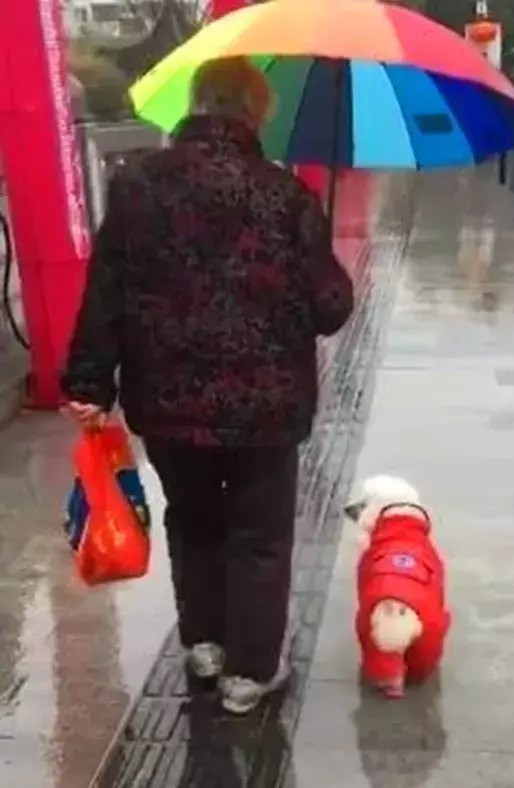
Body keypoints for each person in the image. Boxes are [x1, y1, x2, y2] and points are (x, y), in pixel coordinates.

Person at [62, 56, 354, 715]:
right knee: (259, 530)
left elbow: (106, 290)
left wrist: (88, 381)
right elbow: (331, 307)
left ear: (194, 105)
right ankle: (249, 674)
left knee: (193, 519)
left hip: (166, 402)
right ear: (256, 114)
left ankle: (204, 645)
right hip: (267, 408)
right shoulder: (286, 196)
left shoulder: (138, 186)